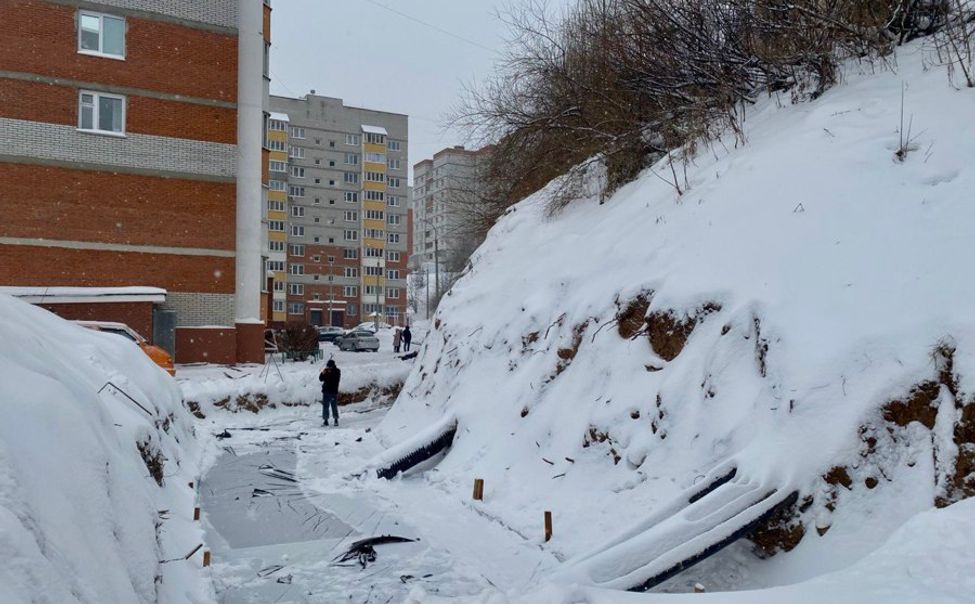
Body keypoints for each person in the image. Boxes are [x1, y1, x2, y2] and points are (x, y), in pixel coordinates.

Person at [319, 359, 341, 426]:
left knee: (334, 406)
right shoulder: (326, 371)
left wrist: (328, 373)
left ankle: (336, 420)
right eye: (328, 366)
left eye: (330, 366)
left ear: (333, 366)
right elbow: (320, 379)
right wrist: (322, 373)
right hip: (326, 392)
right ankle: (325, 420)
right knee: (325, 407)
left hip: (333, 392)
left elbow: (335, 379)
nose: (329, 367)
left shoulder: (337, 371)